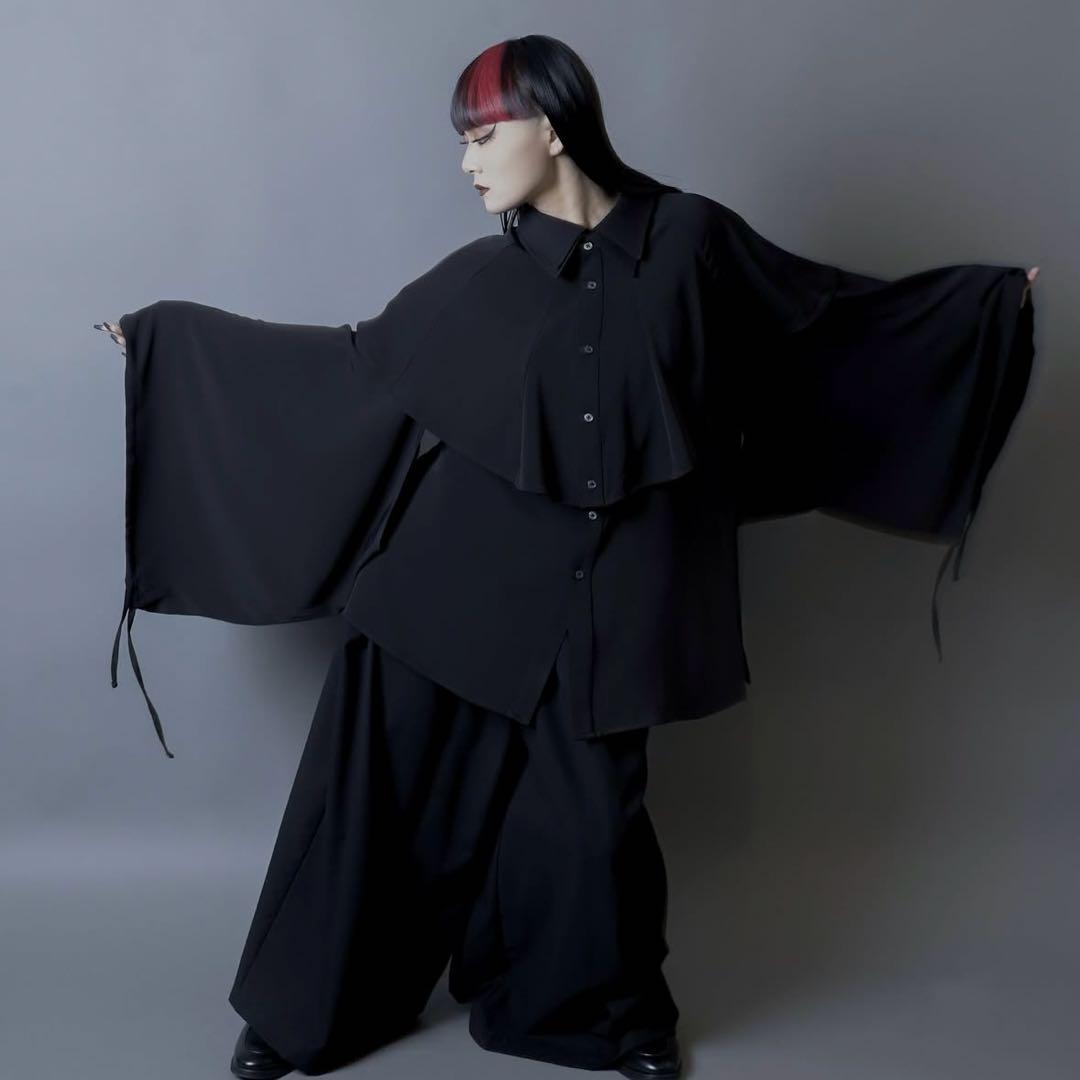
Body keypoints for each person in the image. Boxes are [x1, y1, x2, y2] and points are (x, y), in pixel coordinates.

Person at [95, 33, 1038, 1080]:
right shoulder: (478, 281)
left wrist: (982, 310)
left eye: (482, 134)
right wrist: (167, 343)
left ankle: (603, 1015)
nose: (467, 161)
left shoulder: (691, 240)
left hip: (609, 593)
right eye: (462, 141)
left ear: (551, 124)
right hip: (447, 592)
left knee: (587, 822)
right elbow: (349, 366)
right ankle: (299, 1016)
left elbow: (822, 318)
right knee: (381, 804)